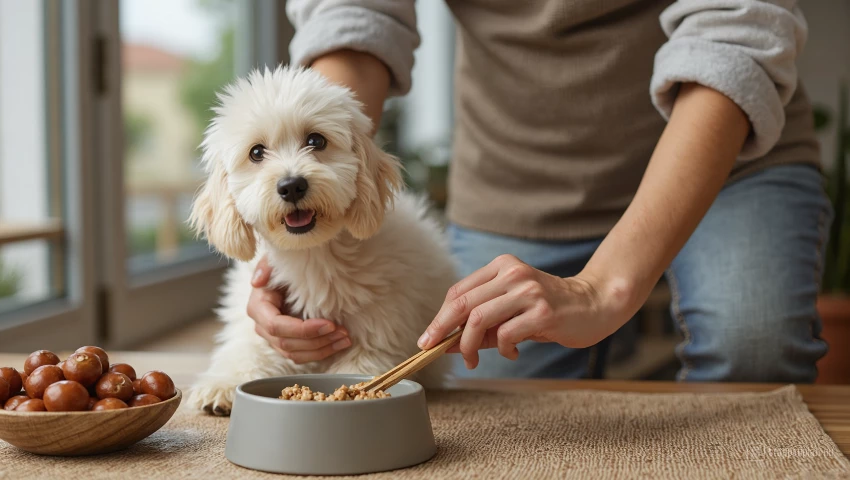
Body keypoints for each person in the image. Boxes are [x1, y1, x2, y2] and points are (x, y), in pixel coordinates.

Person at [247, 1, 832, 382]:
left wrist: (604, 288)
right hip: (516, 181)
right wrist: (315, 208)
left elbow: (735, 32)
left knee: (755, 350)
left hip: (728, 157)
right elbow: (355, 15)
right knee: (484, 412)